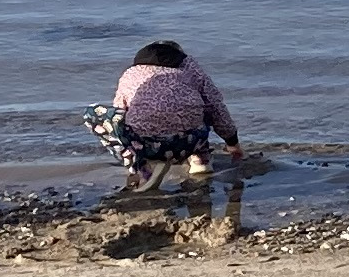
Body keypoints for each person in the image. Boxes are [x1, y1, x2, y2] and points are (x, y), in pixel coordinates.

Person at [89, 40, 244, 191]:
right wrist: (232, 142)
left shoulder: (130, 74)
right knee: (199, 106)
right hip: (187, 144)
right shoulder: (191, 68)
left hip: (145, 146)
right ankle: (200, 161)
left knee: (92, 113)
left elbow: (119, 111)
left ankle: (139, 167)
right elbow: (216, 106)